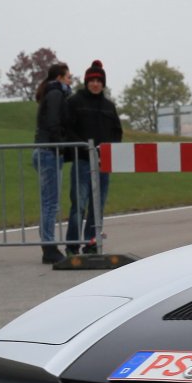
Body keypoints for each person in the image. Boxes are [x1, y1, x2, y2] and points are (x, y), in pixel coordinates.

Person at [63, 60, 123, 255]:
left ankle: (91, 243)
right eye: (92, 80)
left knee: (98, 206)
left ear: (103, 83)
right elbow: (67, 129)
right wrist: (85, 149)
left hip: (103, 163)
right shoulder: (74, 102)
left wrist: (108, 151)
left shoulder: (109, 106)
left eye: (99, 81)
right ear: (87, 82)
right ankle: (72, 245)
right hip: (82, 161)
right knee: (79, 205)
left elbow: (117, 132)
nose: (95, 84)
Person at [32, 62, 72, 264]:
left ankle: (48, 244)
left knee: (49, 202)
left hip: (46, 150)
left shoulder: (51, 93)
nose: (70, 81)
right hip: (50, 151)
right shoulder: (56, 94)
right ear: (59, 78)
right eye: (68, 77)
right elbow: (54, 122)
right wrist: (61, 145)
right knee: (51, 203)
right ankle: (49, 247)